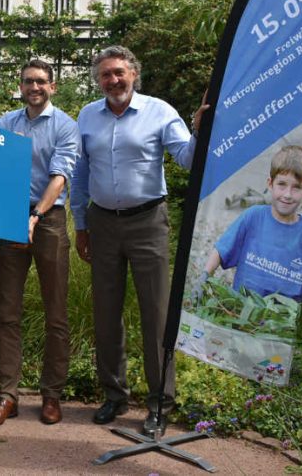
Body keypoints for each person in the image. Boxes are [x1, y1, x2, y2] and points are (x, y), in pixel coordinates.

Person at [70, 45, 209, 436]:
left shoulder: (160, 111)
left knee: (156, 315)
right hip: (102, 222)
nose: (113, 80)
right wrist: (81, 226)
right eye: (105, 74)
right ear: (98, 79)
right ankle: (114, 395)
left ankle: (159, 404)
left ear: (133, 73)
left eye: (119, 72)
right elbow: (81, 175)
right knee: (106, 313)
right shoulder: (87, 115)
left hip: (148, 222)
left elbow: (186, 158)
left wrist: (200, 131)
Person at [0, 59, 80, 427]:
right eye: (27, 82)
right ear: (20, 86)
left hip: (48, 218)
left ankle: (51, 395)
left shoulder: (66, 126)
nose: (33, 87)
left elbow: (60, 177)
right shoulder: (6, 123)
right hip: (9, 217)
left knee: (56, 311)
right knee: (7, 312)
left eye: (40, 81)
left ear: (52, 86)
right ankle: (7, 395)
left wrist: (35, 217)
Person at [199, 145, 302, 302]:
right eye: (282, 184)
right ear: (270, 184)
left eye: (296, 187)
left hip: (282, 320)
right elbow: (222, 249)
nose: (287, 194)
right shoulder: (253, 216)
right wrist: (204, 276)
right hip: (242, 311)